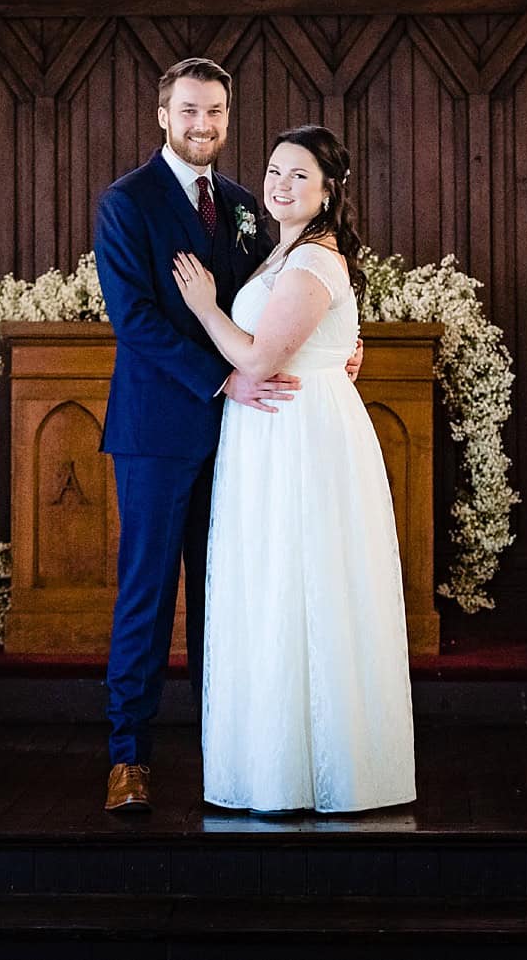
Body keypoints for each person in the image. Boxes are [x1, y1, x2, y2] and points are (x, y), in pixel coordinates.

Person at [93, 57, 362, 814]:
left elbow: (286, 292)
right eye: (188, 111)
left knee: (231, 598)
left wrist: (342, 337)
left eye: (214, 111)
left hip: (248, 436)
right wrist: (222, 378)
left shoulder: (248, 204)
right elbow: (134, 319)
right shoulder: (126, 202)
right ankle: (128, 759)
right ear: (162, 115)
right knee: (147, 595)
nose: (202, 123)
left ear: (227, 115)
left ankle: (231, 748)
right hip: (158, 429)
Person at [174, 125, 417, 813]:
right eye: (275, 170)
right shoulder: (284, 249)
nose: (279, 184)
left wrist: (205, 307)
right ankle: (275, 766)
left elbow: (257, 359)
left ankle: (316, 773)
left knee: (303, 585)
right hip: (273, 432)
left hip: (301, 435)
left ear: (329, 189)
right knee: (279, 587)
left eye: (299, 175)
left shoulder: (313, 259)